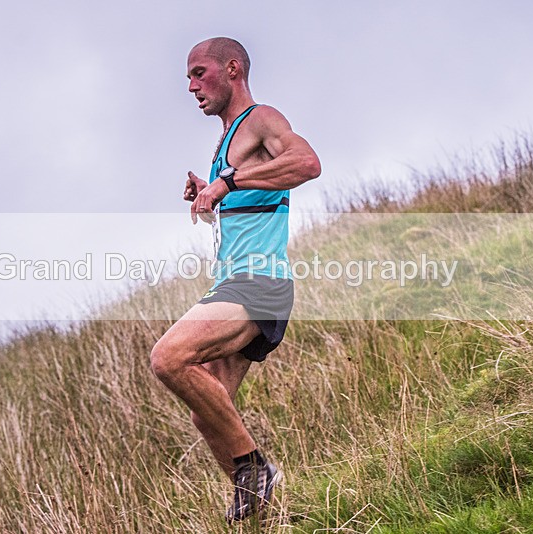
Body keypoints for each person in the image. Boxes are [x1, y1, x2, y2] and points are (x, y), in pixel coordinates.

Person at [150, 37, 320, 523]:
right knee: (208, 411)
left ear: (232, 69)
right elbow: (256, 188)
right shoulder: (226, 140)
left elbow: (307, 164)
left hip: (256, 282)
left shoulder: (261, 119)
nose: (190, 86)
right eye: (188, 77)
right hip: (239, 282)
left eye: (199, 73)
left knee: (168, 357)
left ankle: (256, 470)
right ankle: (275, 515)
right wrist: (212, 191)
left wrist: (228, 182)